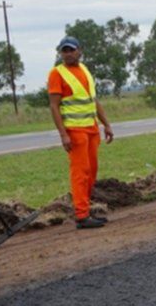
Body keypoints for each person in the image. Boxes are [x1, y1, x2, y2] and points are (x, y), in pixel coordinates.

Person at [48, 36, 115, 229]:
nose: (67, 54)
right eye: (64, 51)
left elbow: (94, 101)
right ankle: (81, 215)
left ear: (79, 51)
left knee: (92, 171)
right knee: (80, 172)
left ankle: (85, 208)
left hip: (92, 129)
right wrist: (63, 134)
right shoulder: (57, 74)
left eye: (71, 50)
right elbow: (54, 106)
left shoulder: (84, 70)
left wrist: (106, 124)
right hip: (75, 131)